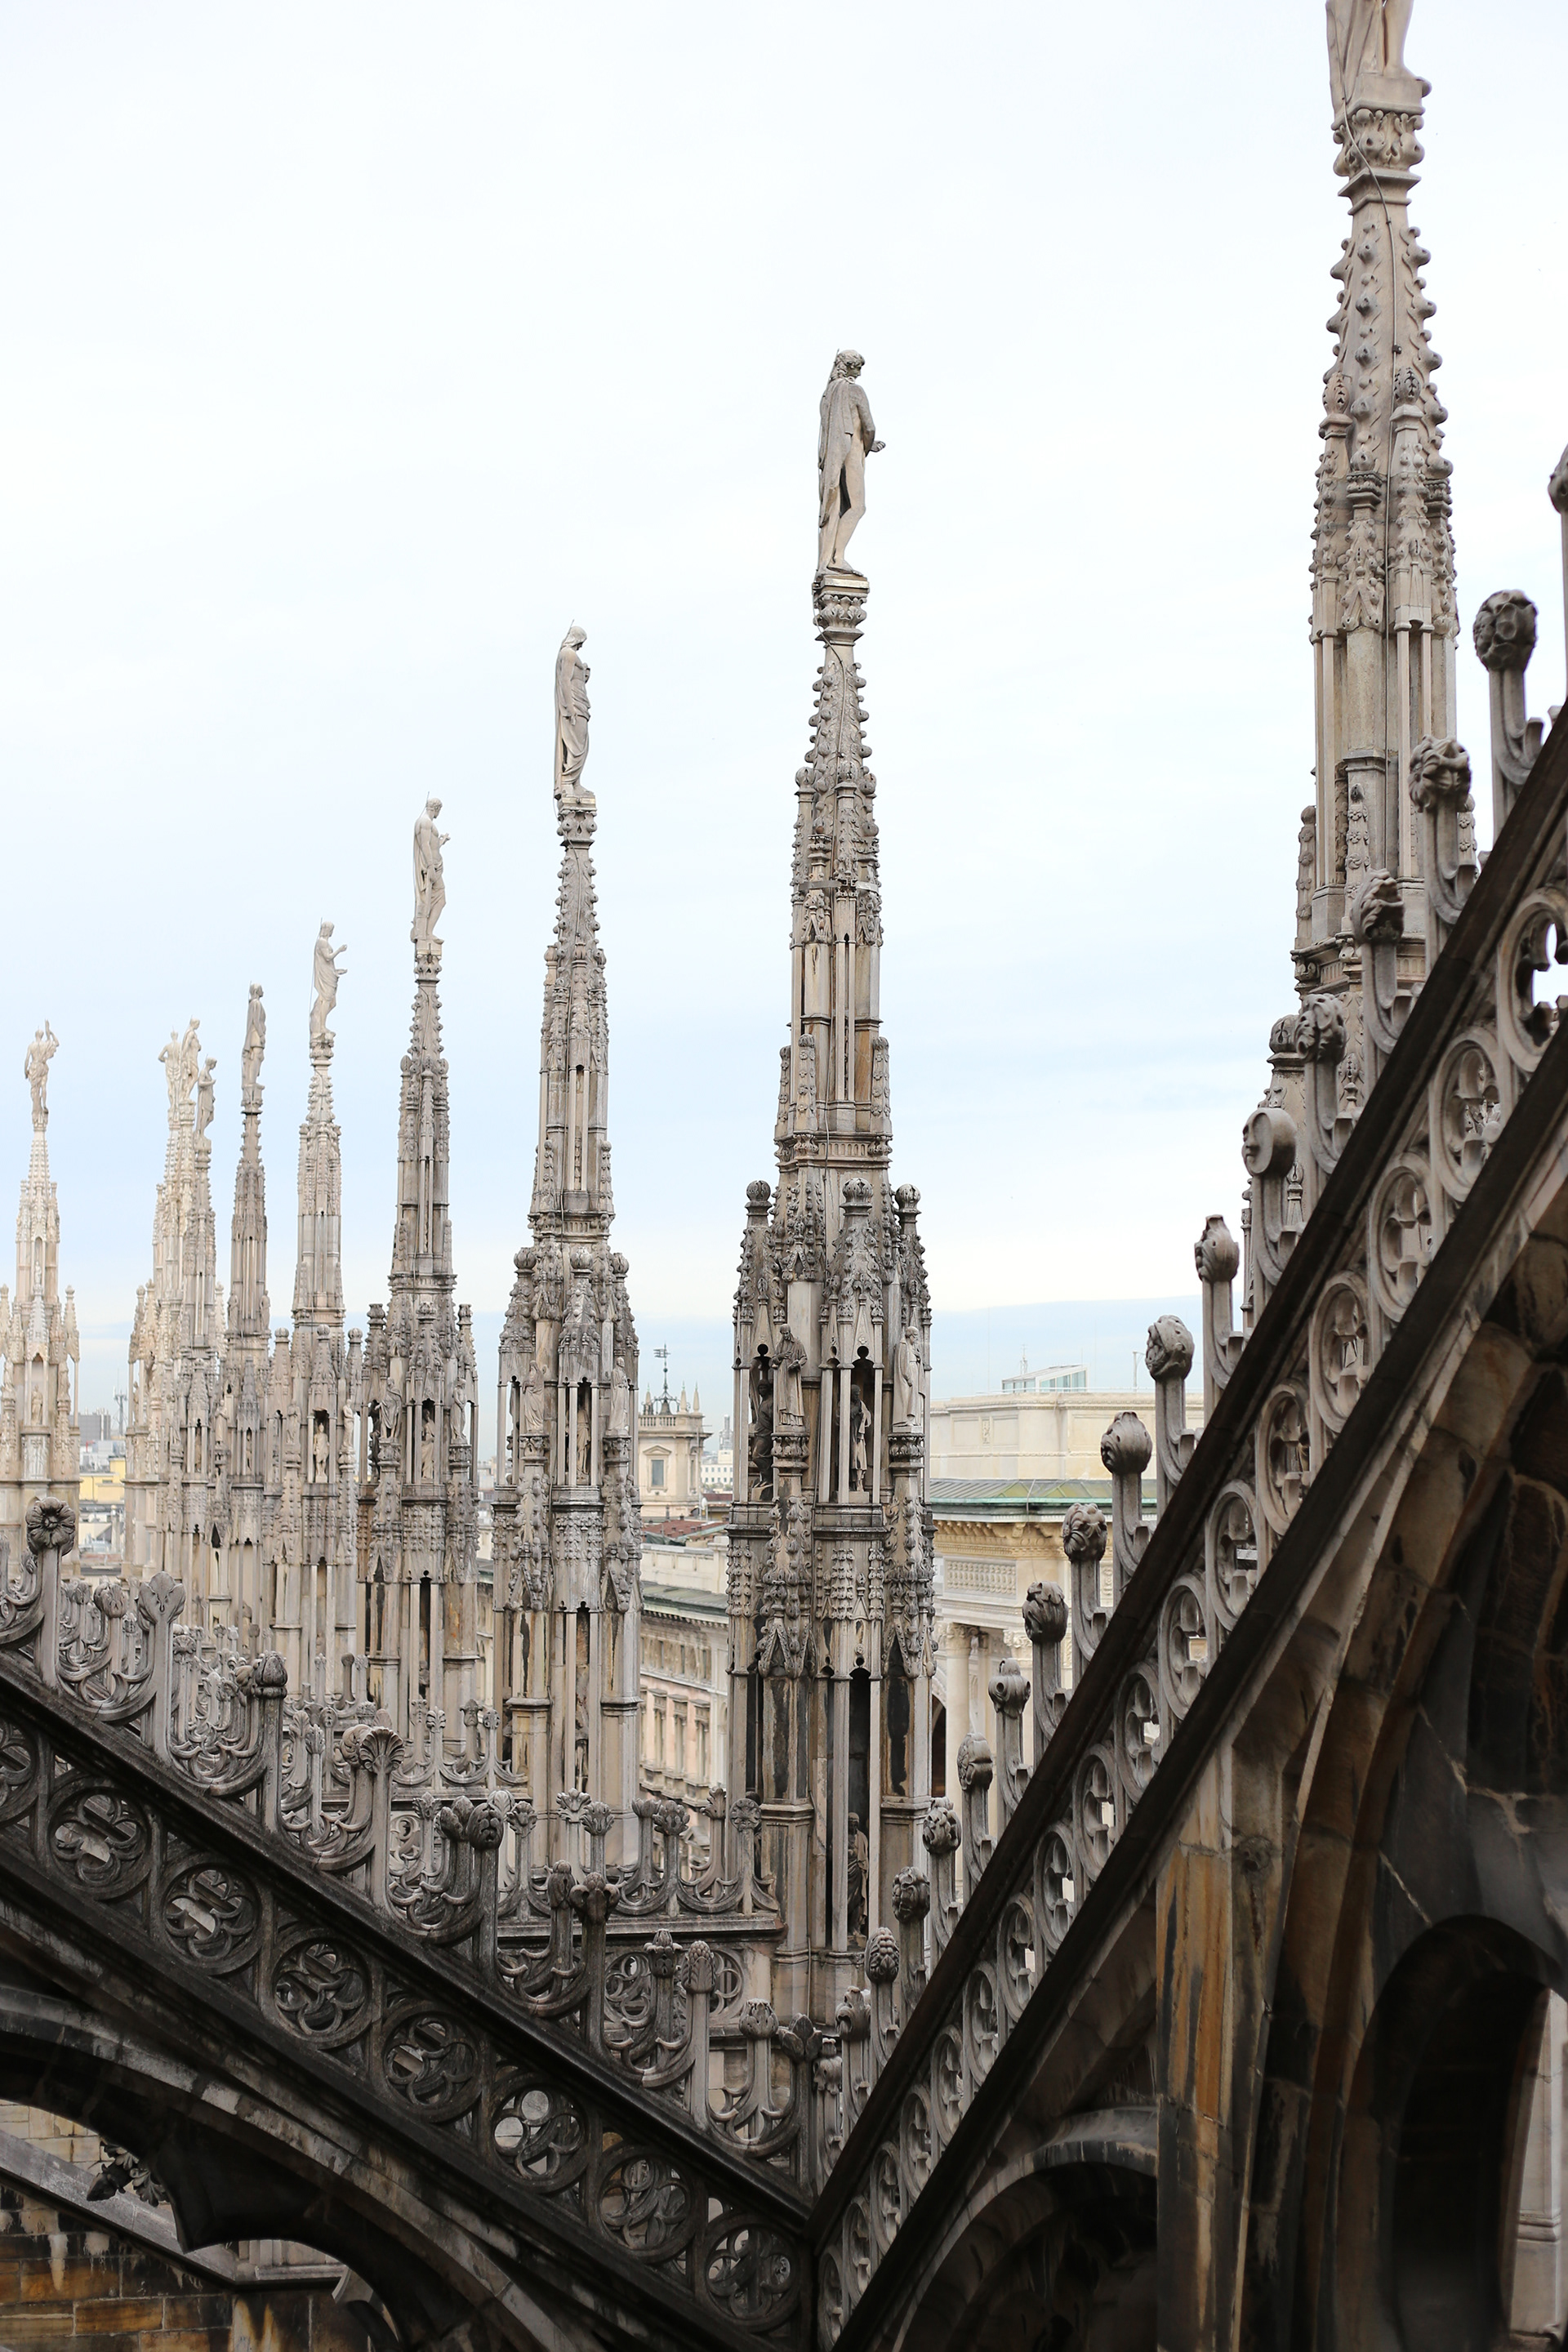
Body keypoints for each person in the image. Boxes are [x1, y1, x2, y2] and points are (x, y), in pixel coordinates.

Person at [817, 351, 884, 573]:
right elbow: (869, 427)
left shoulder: (828, 395)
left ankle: (829, 558)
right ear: (849, 367)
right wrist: (867, 444)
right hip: (852, 452)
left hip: (834, 456)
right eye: (858, 368)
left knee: (836, 506)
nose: (860, 373)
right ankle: (837, 558)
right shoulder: (855, 391)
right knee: (858, 506)